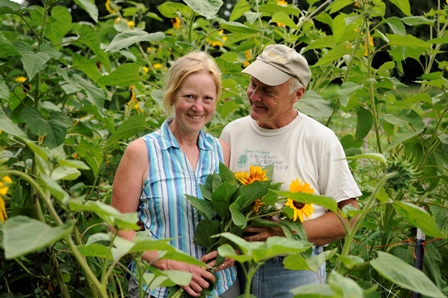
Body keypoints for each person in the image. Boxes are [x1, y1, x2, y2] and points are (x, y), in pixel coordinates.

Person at [220, 44, 362, 297]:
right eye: (253, 84)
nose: (254, 96)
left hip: (294, 269)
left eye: (268, 90)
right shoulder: (233, 132)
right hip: (235, 269)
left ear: (297, 94)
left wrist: (279, 233)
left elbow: (350, 217)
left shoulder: (319, 139)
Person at [111, 51, 240, 298]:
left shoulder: (222, 152)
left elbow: (231, 219)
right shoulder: (142, 152)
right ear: (172, 96)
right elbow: (118, 228)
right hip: (159, 287)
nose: (198, 107)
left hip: (220, 286)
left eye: (207, 98)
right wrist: (170, 264)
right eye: (189, 96)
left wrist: (232, 246)